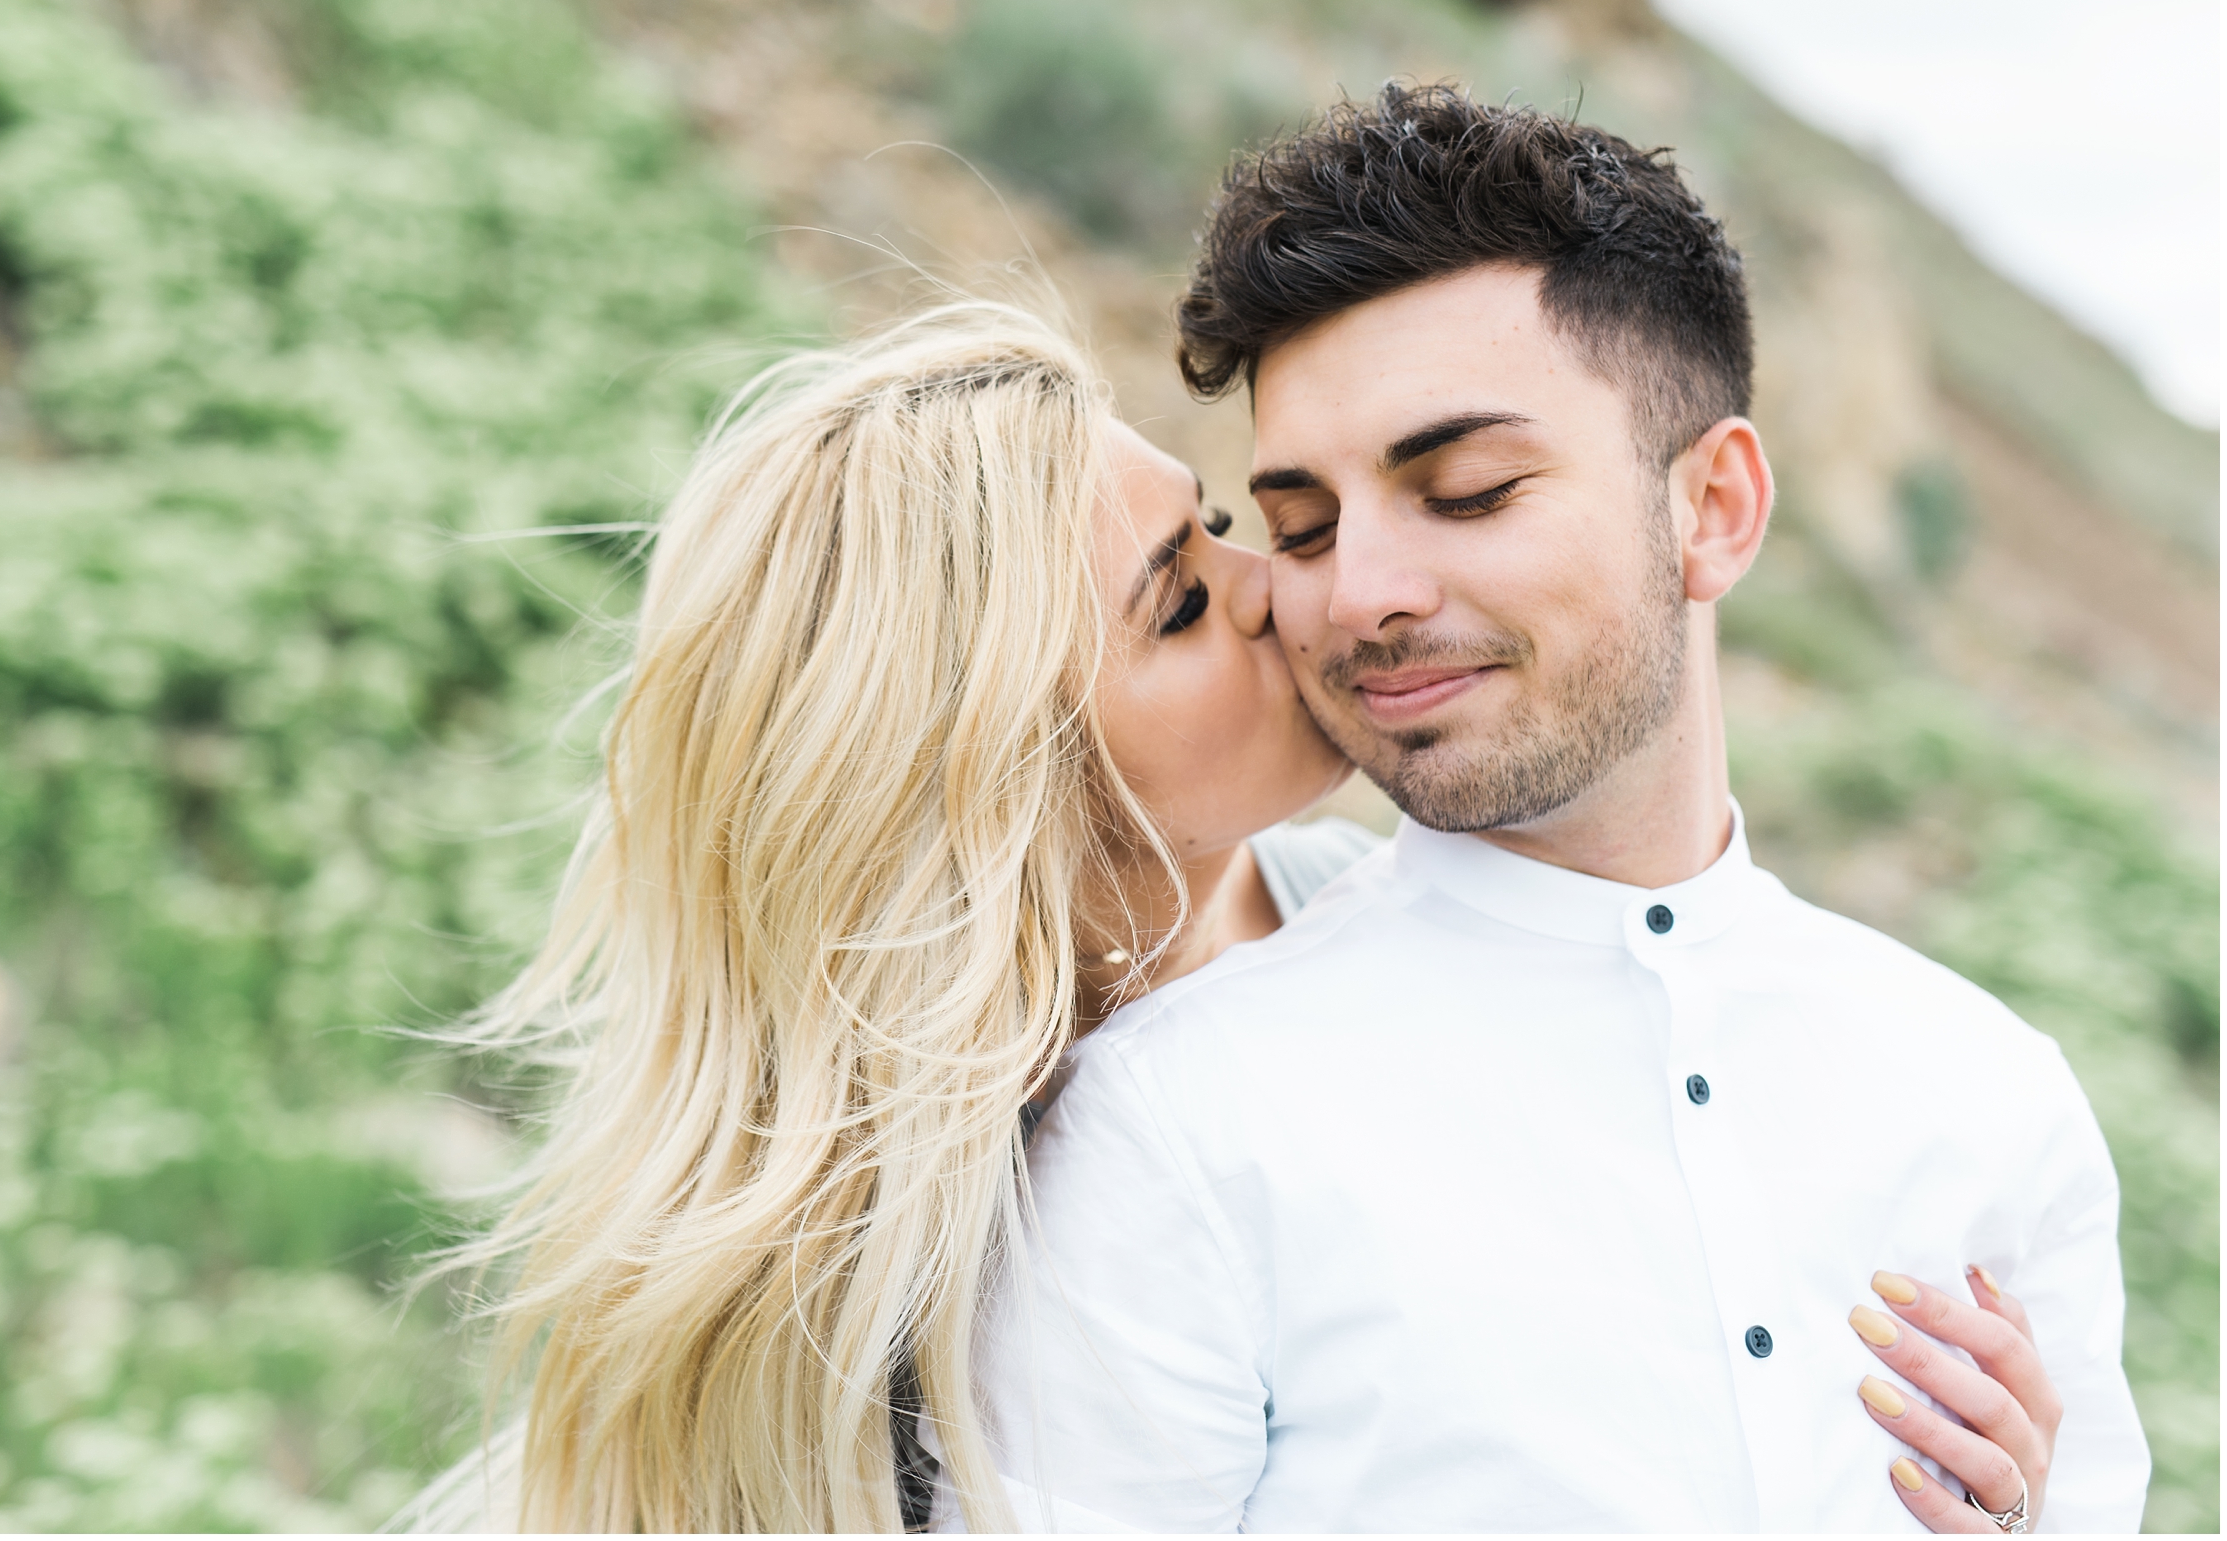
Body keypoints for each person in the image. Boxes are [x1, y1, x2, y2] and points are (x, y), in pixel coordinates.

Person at [951, 85, 2149, 1533]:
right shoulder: (1171, 1130)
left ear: (1712, 506)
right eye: (1305, 525)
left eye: (1466, 490)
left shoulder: (1989, 1095)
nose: (1357, 592)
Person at [394, 299, 1364, 1532]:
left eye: (1214, 526)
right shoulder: (931, 1320)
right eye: (1176, 604)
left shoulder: (1396, 909)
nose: (1275, 587)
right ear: (1002, 798)